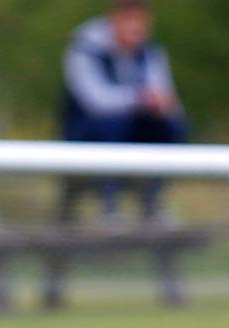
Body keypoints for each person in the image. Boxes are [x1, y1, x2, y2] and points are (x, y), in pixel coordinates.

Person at [59, 0, 187, 221]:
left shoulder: (150, 51)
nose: (135, 32)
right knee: (114, 123)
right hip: (87, 131)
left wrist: (161, 104)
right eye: (129, 23)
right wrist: (140, 99)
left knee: (170, 125)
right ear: (114, 19)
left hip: (133, 130)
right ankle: (108, 206)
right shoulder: (85, 47)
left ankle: (153, 201)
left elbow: (168, 99)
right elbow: (96, 101)